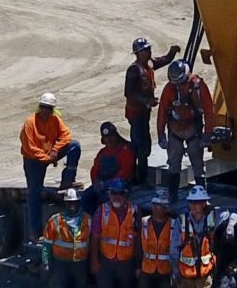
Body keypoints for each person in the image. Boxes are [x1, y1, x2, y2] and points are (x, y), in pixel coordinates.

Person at [19, 93, 81, 242]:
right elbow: (30, 148)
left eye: (49, 108)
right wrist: (47, 158)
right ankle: (35, 231)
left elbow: (66, 135)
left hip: (49, 154)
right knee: (34, 192)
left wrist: (54, 151)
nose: (45, 111)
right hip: (33, 160)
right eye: (43, 107)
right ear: (39, 107)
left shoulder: (55, 120)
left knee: (74, 146)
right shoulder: (30, 123)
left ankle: (67, 181)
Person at [156, 58, 216, 190]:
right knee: (173, 165)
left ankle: (202, 197)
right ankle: (173, 196)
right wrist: (161, 134)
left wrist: (207, 133)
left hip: (193, 131)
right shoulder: (169, 89)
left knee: (198, 166)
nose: (177, 85)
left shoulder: (198, 86)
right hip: (175, 131)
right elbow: (162, 111)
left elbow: (209, 110)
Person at [40, 186, 90, 288]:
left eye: (74, 202)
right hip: (61, 263)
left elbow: (94, 241)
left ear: (79, 202)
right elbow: (47, 244)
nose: (72, 205)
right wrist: (46, 262)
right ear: (65, 204)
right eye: (69, 203)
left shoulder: (88, 219)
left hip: (80, 263)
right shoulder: (55, 220)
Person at [124, 37, 179, 177]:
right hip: (136, 113)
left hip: (143, 112)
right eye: (146, 50)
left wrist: (172, 53)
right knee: (139, 144)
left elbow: (164, 60)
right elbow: (129, 93)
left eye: (149, 49)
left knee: (145, 143)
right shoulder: (134, 70)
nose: (149, 52)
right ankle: (136, 175)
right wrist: (146, 101)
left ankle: (140, 173)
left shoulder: (149, 65)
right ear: (138, 53)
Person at [173, 185, 219, 288]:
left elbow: (231, 214)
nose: (193, 206)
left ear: (204, 204)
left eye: (197, 202)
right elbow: (174, 248)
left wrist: (230, 225)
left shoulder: (212, 218)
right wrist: (175, 271)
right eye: (191, 203)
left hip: (204, 273)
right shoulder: (182, 221)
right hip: (185, 274)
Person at [91, 179, 141, 288]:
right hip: (106, 257)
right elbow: (95, 237)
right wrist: (94, 260)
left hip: (126, 259)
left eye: (120, 194)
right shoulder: (102, 211)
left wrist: (137, 263)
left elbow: (138, 239)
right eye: (113, 193)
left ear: (126, 196)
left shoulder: (135, 211)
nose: (116, 197)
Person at [136, 192, 177, 288]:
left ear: (166, 208)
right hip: (146, 268)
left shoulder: (174, 225)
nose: (156, 208)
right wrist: (137, 267)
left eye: (159, 205)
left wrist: (175, 271)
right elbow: (138, 246)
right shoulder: (144, 222)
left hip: (165, 270)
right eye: (154, 205)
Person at [85, 120, 140, 208]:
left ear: (116, 136)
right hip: (102, 185)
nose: (109, 139)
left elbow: (126, 172)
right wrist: (96, 183)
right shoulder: (102, 153)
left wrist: (108, 184)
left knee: (103, 201)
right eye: (106, 137)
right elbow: (94, 170)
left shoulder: (125, 151)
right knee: (85, 198)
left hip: (119, 187)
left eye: (112, 136)